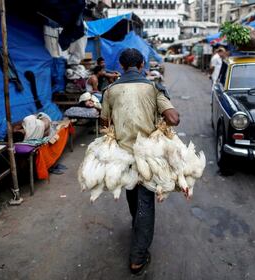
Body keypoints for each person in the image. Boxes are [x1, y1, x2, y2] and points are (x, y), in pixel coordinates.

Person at [100, 48, 180, 276]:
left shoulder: (110, 90)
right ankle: (137, 258)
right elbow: (174, 118)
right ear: (142, 65)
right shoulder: (153, 87)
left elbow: (104, 120)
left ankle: (137, 227)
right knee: (146, 201)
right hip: (147, 155)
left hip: (122, 154)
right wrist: (163, 116)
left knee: (131, 191)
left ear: (122, 66)